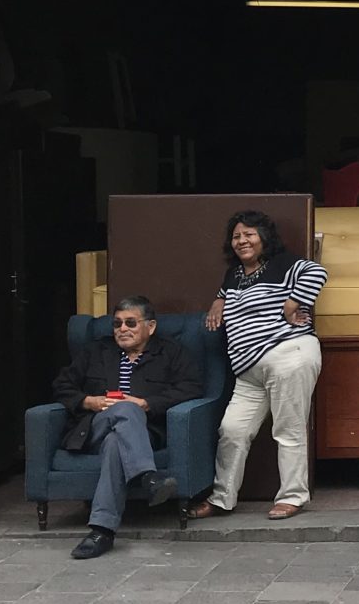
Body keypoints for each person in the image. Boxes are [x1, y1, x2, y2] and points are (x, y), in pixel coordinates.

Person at [189, 211, 328, 521]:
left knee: (288, 429)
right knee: (232, 430)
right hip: (249, 369)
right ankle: (223, 498)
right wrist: (218, 300)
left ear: (264, 237)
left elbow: (317, 273)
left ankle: (293, 497)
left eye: (249, 234)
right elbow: (229, 296)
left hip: (287, 354)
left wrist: (293, 302)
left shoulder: (284, 264)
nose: (242, 241)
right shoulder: (234, 274)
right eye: (237, 236)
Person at [51, 294, 203, 560]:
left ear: (151, 327)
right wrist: (89, 401)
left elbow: (192, 387)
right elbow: (62, 385)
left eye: (131, 323)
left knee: (116, 442)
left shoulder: (170, 353)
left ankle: (101, 531)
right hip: (93, 427)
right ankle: (148, 477)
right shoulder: (96, 351)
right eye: (117, 323)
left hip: (144, 433)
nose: (122, 329)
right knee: (121, 414)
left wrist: (146, 403)